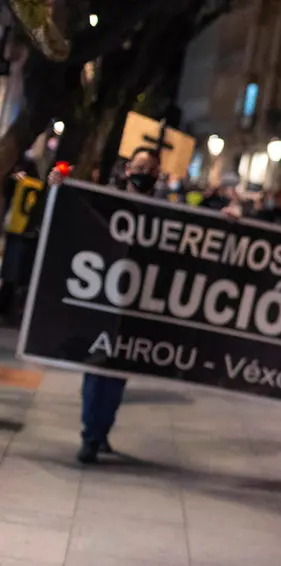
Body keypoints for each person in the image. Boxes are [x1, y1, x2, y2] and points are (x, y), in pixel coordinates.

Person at [49, 148, 163, 463]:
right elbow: (72, 214)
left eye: (152, 169)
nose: (146, 174)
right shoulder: (104, 201)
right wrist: (60, 186)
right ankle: (91, 435)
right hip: (101, 298)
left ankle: (101, 431)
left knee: (117, 374)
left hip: (136, 304)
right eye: (141, 167)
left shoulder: (165, 211)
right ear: (128, 169)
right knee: (97, 367)